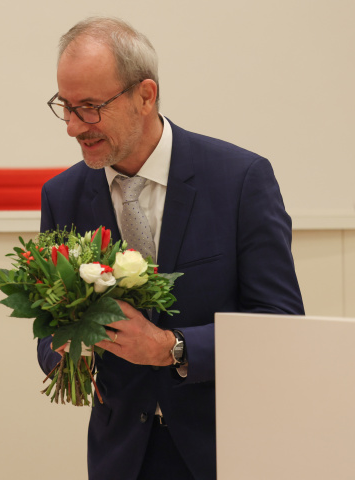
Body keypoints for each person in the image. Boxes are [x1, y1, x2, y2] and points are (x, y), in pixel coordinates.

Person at [37, 17, 304, 480]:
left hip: (225, 451)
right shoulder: (62, 196)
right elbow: (49, 331)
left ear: (145, 95)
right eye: (66, 106)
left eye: (91, 108)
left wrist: (172, 348)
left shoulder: (240, 180)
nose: (74, 128)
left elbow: (280, 325)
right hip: (121, 456)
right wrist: (63, 353)